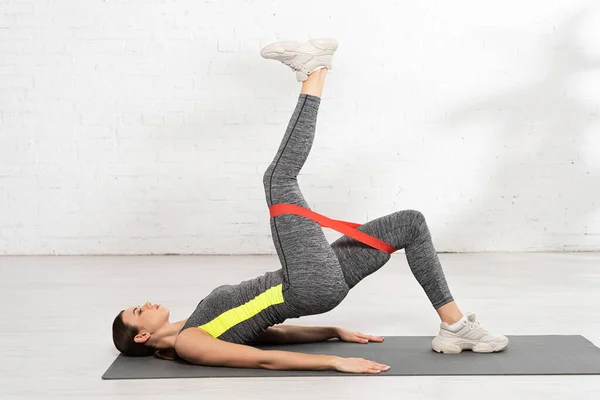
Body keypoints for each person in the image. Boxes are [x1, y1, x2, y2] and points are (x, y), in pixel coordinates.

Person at [112, 38, 508, 374]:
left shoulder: (194, 323)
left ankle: (455, 325)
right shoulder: (189, 343)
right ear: (142, 335)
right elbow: (260, 360)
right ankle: (314, 73)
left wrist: (332, 330)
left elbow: (270, 333)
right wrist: (334, 361)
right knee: (277, 180)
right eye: (138, 310)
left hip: (315, 282)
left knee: (410, 224)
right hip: (304, 284)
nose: (145, 304)